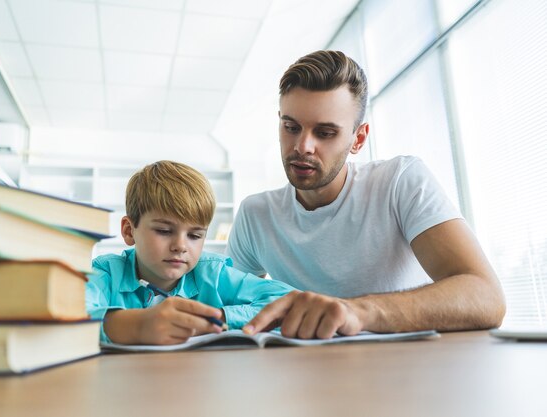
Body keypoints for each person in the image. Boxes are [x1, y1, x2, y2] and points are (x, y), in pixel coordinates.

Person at [225, 50, 506, 339]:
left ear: (358, 139)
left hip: (408, 373)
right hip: (305, 373)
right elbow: (226, 309)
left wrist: (357, 312)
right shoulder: (255, 215)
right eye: (291, 127)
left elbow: (486, 297)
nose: (302, 146)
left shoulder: (399, 181)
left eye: (325, 132)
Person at [86, 160, 295, 345]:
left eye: (195, 236)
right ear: (129, 230)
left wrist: (219, 317)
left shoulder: (213, 275)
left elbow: (288, 301)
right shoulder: (105, 274)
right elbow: (70, 315)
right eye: (164, 231)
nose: (180, 246)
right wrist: (137, 326)